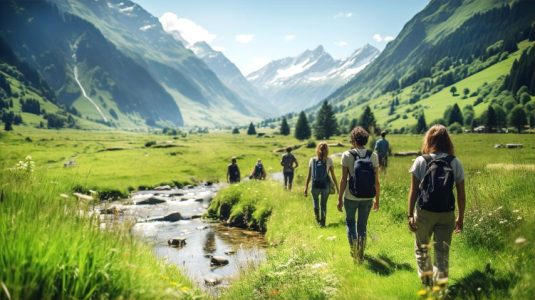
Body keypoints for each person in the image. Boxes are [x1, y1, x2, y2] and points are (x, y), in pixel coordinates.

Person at [407, 124, 465, 288]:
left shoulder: (421, 161)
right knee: (442, 252)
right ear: (448, 141)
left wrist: (410, 214)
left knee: (422, 249)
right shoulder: (455, 162)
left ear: (429, 140)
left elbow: (413, 191)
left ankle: (427, 285)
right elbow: (461, 195)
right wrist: (460, 217)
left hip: (424, 211)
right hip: (446, 213)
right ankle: (440, 288)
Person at [337, 127, 380, 263]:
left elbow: (344, 179)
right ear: (365, 140)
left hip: (351, 196)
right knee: (362, 226)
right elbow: (376, 182)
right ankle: (360, 254)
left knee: (350, 223)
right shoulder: (373, 155)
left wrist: (339, 199)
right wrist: (376, 200)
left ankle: (355, 253)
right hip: (368, 197)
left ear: (354, 140)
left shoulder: (347, 155)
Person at [304, 142, 339, 227]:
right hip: (325, 186)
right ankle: (323, 224)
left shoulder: (312, 160)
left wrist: (305, 188)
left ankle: (317, 221)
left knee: (315, 204)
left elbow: (309, 176)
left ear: (317, 150)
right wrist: (337, 189)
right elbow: (333, 176)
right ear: (327, 150)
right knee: (323, 205)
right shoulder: (329, 160)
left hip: (314, 186)